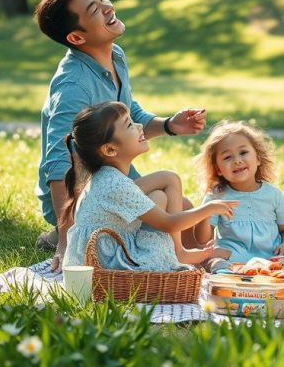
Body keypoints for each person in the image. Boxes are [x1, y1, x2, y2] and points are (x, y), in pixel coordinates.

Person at [34, 0, 206, 271]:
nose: (106, 5)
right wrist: (67, 239)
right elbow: (59, 162)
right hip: (88, 197)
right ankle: (77, 236)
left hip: (117, 183)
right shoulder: (73, 85)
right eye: (94, 9)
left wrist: (169, 125)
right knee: (165, 202)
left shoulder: (115, 55)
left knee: (190, 213)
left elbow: (131, 112)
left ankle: (178, 256)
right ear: (76, 37)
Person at [62, 102, 235, 271]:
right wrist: (209, 208)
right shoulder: (114, 184)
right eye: (129, 124)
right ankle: (177, 254)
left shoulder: (107, 176)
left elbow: (167, 184)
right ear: (110, 150)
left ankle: (179, 251)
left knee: (168, 179)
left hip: (111, 243)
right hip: (106, 260)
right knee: (159, 197)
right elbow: (169, 224)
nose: (139, 126)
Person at [194, 120, 284, 268]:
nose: (237, 160)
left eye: (243, 152)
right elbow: (201, 239)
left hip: (272, 254)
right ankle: (227, 277)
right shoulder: (217, 196)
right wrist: (206, 211)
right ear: (218, 169)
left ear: (258, 159)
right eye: (227, 157)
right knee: (212, 258)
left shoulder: (273, 194)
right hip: (235, 254)